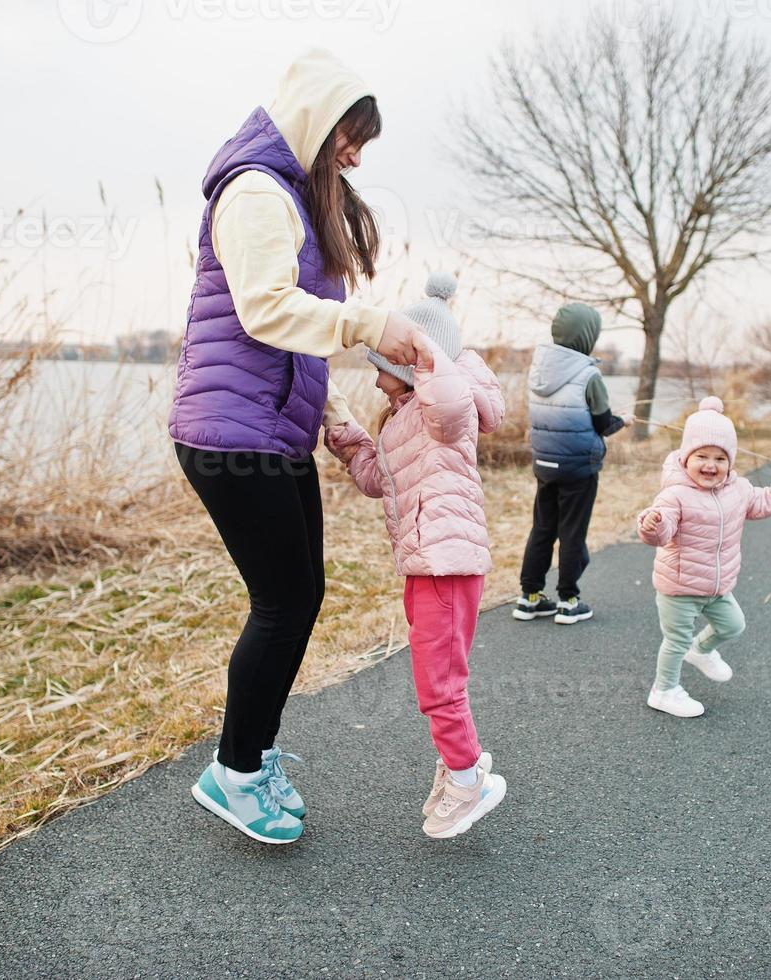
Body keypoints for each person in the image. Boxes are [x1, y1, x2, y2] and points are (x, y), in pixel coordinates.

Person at [169, 50, 425, 845]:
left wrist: (339, 425)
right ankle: (235, 775)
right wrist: (367, 321)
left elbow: (296, 350)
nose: (354, 154)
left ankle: (247, 756)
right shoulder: (252, 191)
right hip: (229, 434)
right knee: (282, 603)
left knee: (298, 596)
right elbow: (266, 314)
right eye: (352, 135)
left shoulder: (289, 196)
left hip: (270, 431)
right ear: (317, 118)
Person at [324, 272, 509, 839]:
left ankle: (467, 777)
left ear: (410, 365)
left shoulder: (444, 410)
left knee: (438, 683)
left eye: (383, 361)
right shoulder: (406, 419)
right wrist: (344, 430)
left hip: (445, 563)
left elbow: (449, 398)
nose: (375, 376)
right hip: (425, 562)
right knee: (439, 675)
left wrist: (428, 353)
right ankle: (466, 763)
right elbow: (378, 479)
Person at [636, 398, 771, 718]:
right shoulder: (675, 494)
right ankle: (663, 691)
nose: (710, 465)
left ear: (730, 462)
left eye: (720, 458)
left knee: (734, 625)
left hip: (718, 586)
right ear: (685, 457)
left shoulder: (739, 489)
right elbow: (661, 530)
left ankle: (701, 649)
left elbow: (767, 501)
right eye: (701, 456)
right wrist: (654, 525)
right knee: (674, 641)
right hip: (678, 587)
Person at [512, 303, 633, 625]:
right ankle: (568, 600)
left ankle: (530, 598)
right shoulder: (588, 374)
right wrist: (624, 421)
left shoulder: (539, 369)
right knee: (572, 533)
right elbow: (604, 424)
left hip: (544, 463)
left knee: (542, 528)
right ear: (587, 336)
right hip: (578, 468)